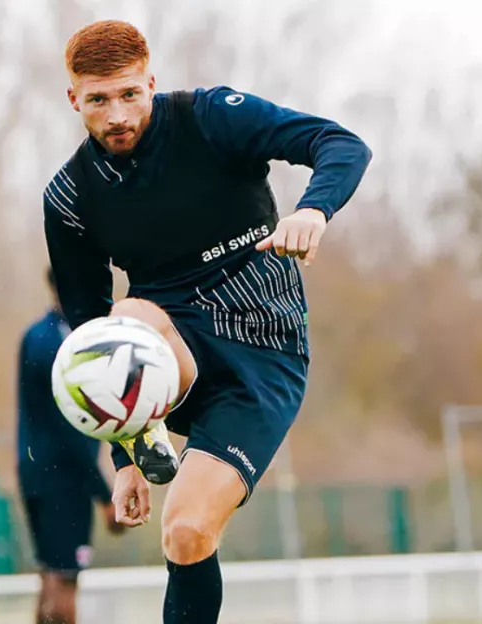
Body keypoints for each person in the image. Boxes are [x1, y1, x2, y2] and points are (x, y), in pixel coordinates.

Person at [42, 19, 372, 623]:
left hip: (265, 355)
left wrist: (314, 210)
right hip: (172, 349)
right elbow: (92, 339)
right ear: (73, 99)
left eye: (129, 94)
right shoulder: (69, 198)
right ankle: (149, 435)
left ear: (151, 82)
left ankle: (161, 442)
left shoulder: (212, 116)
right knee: (125, 317)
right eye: (98, 100)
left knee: (187, 533)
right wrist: (123, 461)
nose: (117, 115)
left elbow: (342, 145)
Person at [16, 267, 125, 624]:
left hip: (38, 475)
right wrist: (105, 494)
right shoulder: (60, 345)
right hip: (62, 478)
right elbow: (70, 430)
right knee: (64, 580)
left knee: (51, 573)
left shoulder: (38, 335)